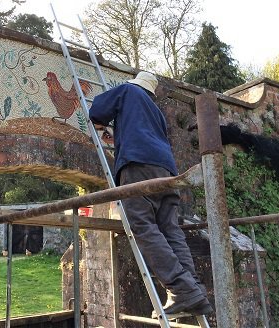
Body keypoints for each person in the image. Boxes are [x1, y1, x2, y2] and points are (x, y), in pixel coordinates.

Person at [89, 71, 213, 316]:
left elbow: (97, 110)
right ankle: (194, 287)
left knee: (143, 225)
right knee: (170, 228)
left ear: (136, 84)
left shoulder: (127, 91)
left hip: (139, 167)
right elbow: (146, 137)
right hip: (166, 170)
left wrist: (102, 124)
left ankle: (181, 291)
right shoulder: (155, 111)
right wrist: (117, 135)